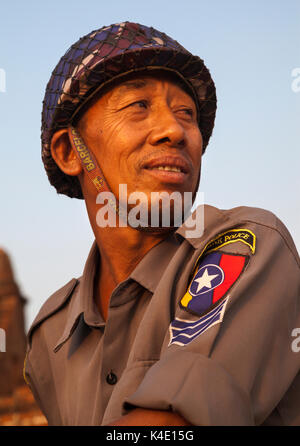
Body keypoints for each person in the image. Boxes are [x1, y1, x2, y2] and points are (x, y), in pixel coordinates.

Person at [24, 21, 300, 426]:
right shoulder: (50, 338)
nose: (175, 130)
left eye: (186, 113)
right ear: (70, 151)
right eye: (138, 106)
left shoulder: (250, 244)